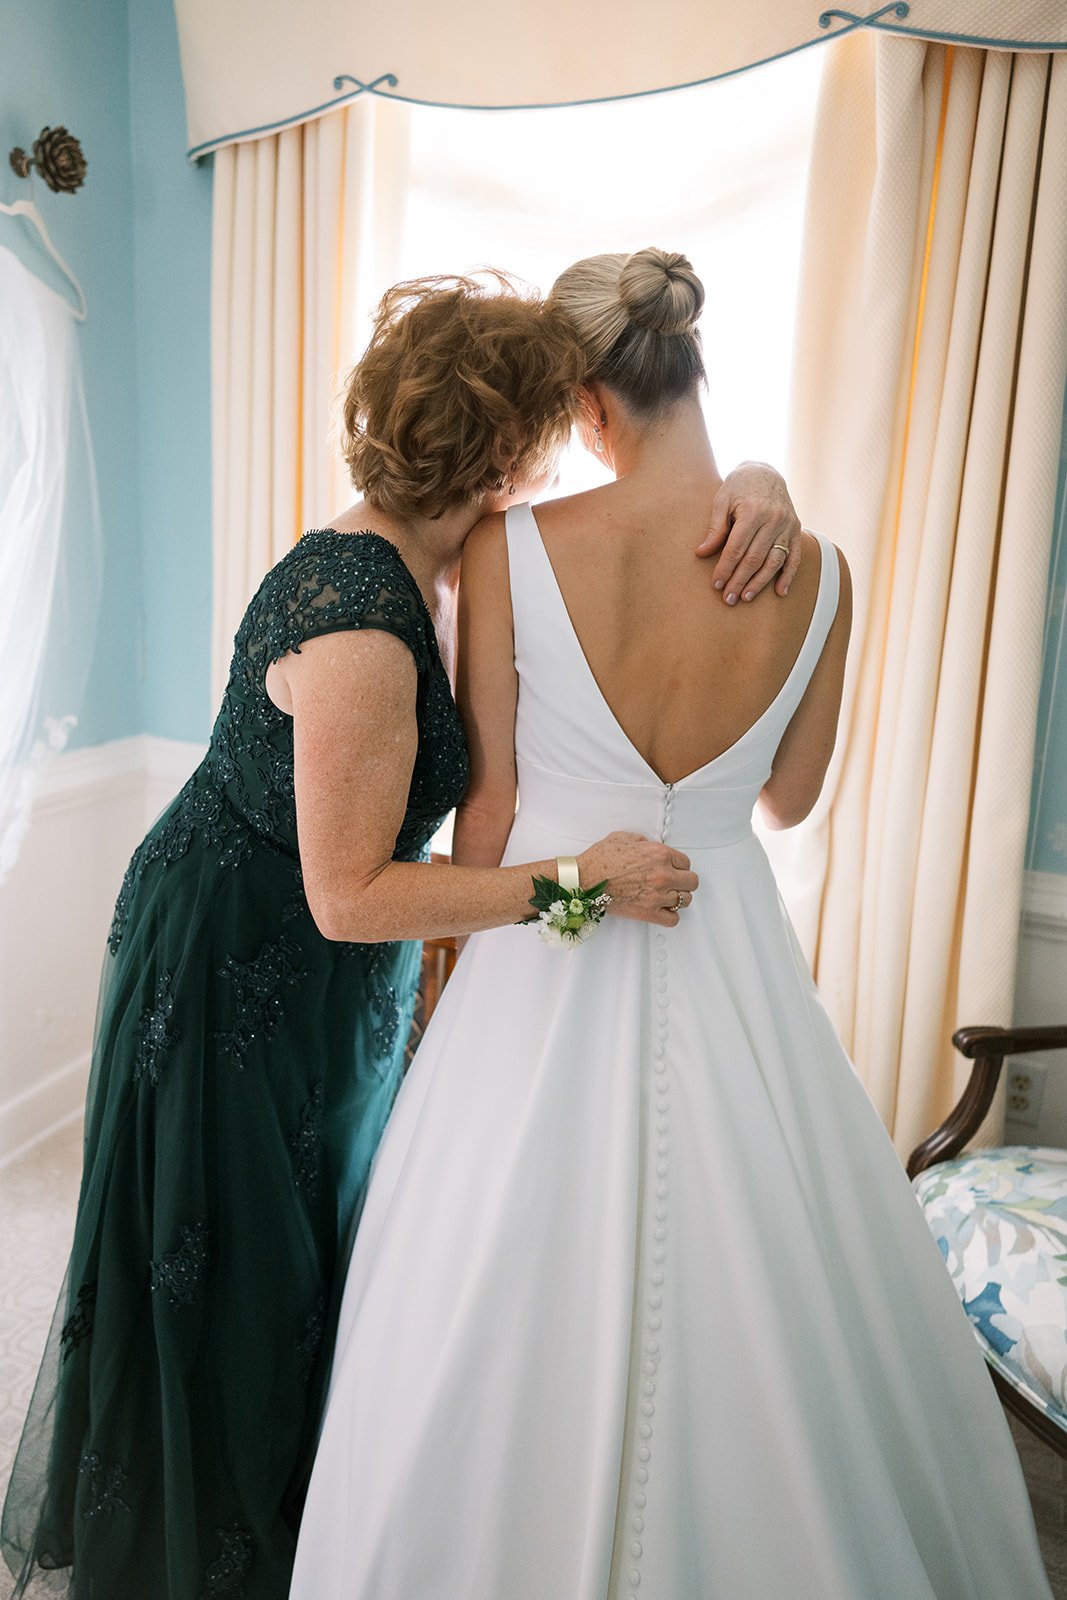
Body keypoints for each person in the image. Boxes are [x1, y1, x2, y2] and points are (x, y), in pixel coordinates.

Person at [1, 272, 801, 1600]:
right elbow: (351, 898)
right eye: (545, 432)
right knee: (234, 1266)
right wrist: (576, 887)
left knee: (317, 1244)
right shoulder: (365, 616)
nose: (562, 454)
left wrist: (761, 471)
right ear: (498, 454)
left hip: (308, 956)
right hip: (236, 962)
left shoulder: (425, 565)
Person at [290, 250, 1055, 1600]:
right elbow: (792, 800)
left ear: (583, 403)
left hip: (551, 951)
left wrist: (444, 984)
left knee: (476, 1292)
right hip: (730, 952)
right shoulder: (815, 569)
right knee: (786, 1296)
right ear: (693, 367)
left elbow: (493, 805)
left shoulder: (508, 546)